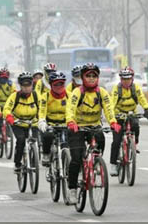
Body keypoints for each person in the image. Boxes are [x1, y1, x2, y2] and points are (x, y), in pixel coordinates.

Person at [65, 62, 121, 204]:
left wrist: (113, 122)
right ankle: (72, 189)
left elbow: (108, 108)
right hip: (77, 127)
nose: (91, 78)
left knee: (100, 140)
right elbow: (70, 108)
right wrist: (71, 122)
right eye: (88, 76)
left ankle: (96, 162)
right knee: (76, 159)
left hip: (94, 126)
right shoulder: (77, 92)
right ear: (83, 78)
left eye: (94, 76)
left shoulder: (101, 92)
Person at [109, 66, 148, 176]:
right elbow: (112, 103)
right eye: (123, 79)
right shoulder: (116, 89)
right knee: (116, 140)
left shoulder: (135, 87)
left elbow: (141, 98)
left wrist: (147, 108)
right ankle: (113, 164)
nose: (126, 81)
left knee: (136, 126)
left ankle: (134, 143)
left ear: (132, 79)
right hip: (119, 114)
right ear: (120, 79)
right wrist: (112, 117)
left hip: (131, 112)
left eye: (128, 79)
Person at [3, 72, 39, 172]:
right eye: (24, 85)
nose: (27, 88)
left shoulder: (36, 96)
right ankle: (17, 163)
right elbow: (6, 109)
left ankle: (33, 161)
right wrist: (9, 117)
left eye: (29, 85)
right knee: (21, 140)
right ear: (20, 86)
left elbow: (43, 108)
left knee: (35, 140)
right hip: (18, 123)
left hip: (33, 123)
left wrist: (43, 119)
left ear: (32, 85)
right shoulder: (14, 96)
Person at [38, 71, 70, 166]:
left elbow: (74, 110)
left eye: (61, 84)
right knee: (47, 135)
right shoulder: (46, 96)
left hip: (65, 123)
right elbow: (42, 110)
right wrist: (42, 121)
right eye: (56, 84)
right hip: (50, 124)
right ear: (51, 85)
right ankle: (46, 154)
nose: (59, 86)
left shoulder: (70, 95)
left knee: (67, 143)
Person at [0, 68, 17, 150]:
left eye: (5, 78)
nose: (3, 79)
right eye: (2, 77)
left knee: (12, 120)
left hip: (8, 105)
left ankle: (9, 132)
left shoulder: (11, 85)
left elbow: (15, 96)